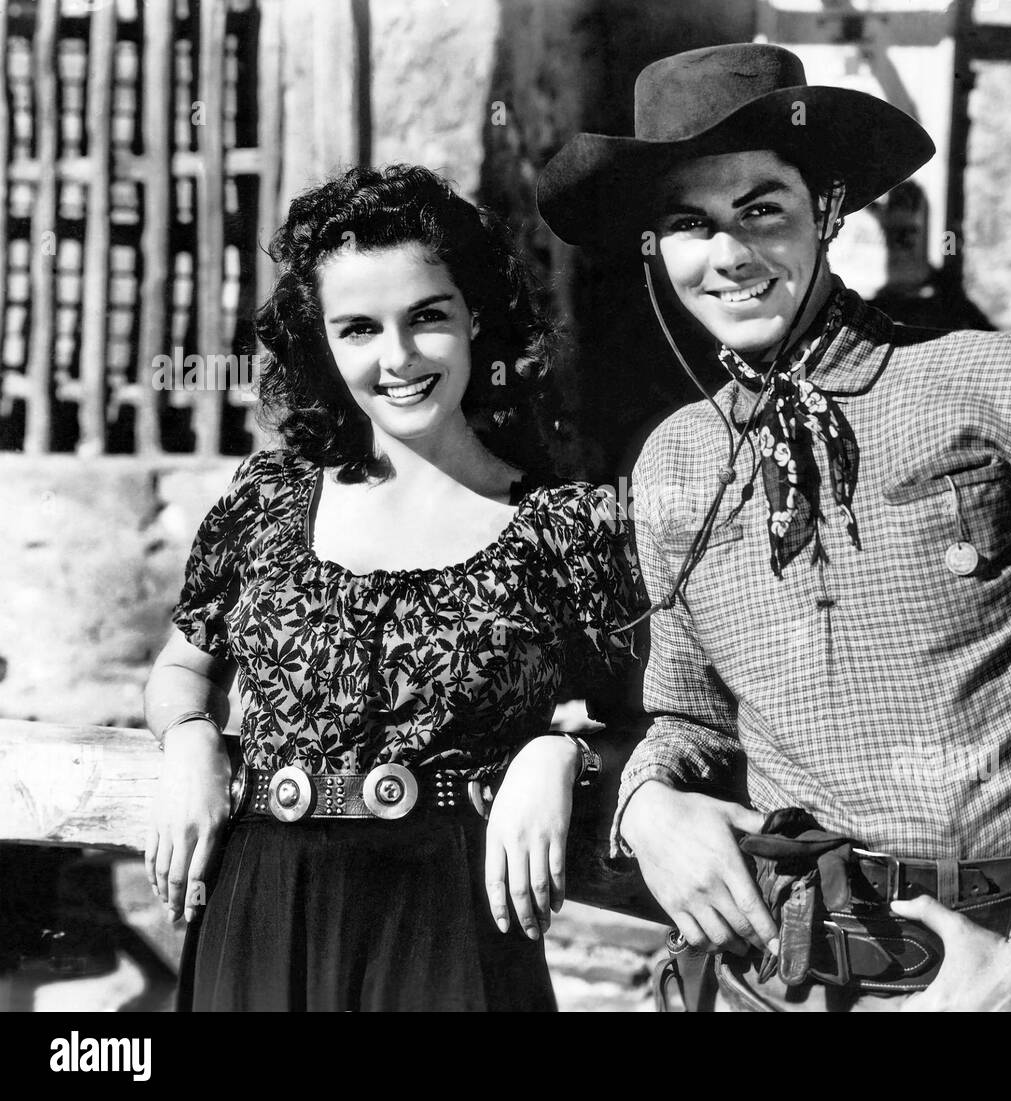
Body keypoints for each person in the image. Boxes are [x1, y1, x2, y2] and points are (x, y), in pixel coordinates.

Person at [537, 43, 1011, 1011]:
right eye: (688, 223)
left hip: (1000, 970)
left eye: (760, 209)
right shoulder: (675, 461)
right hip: (775, 976)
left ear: (827, 210)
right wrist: (642, 804)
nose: (728, 255)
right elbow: (686, 718)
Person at [142, 164, 640, 1011]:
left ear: (476, 316)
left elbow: (647, 724)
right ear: (324, 343)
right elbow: (181, 670)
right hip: (261, 917)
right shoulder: (266, 499)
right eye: (359, 329)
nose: (398, 357)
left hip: (454, 933)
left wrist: (562, 753)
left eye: (428, 318)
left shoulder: (568, 529)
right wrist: (191, 741)